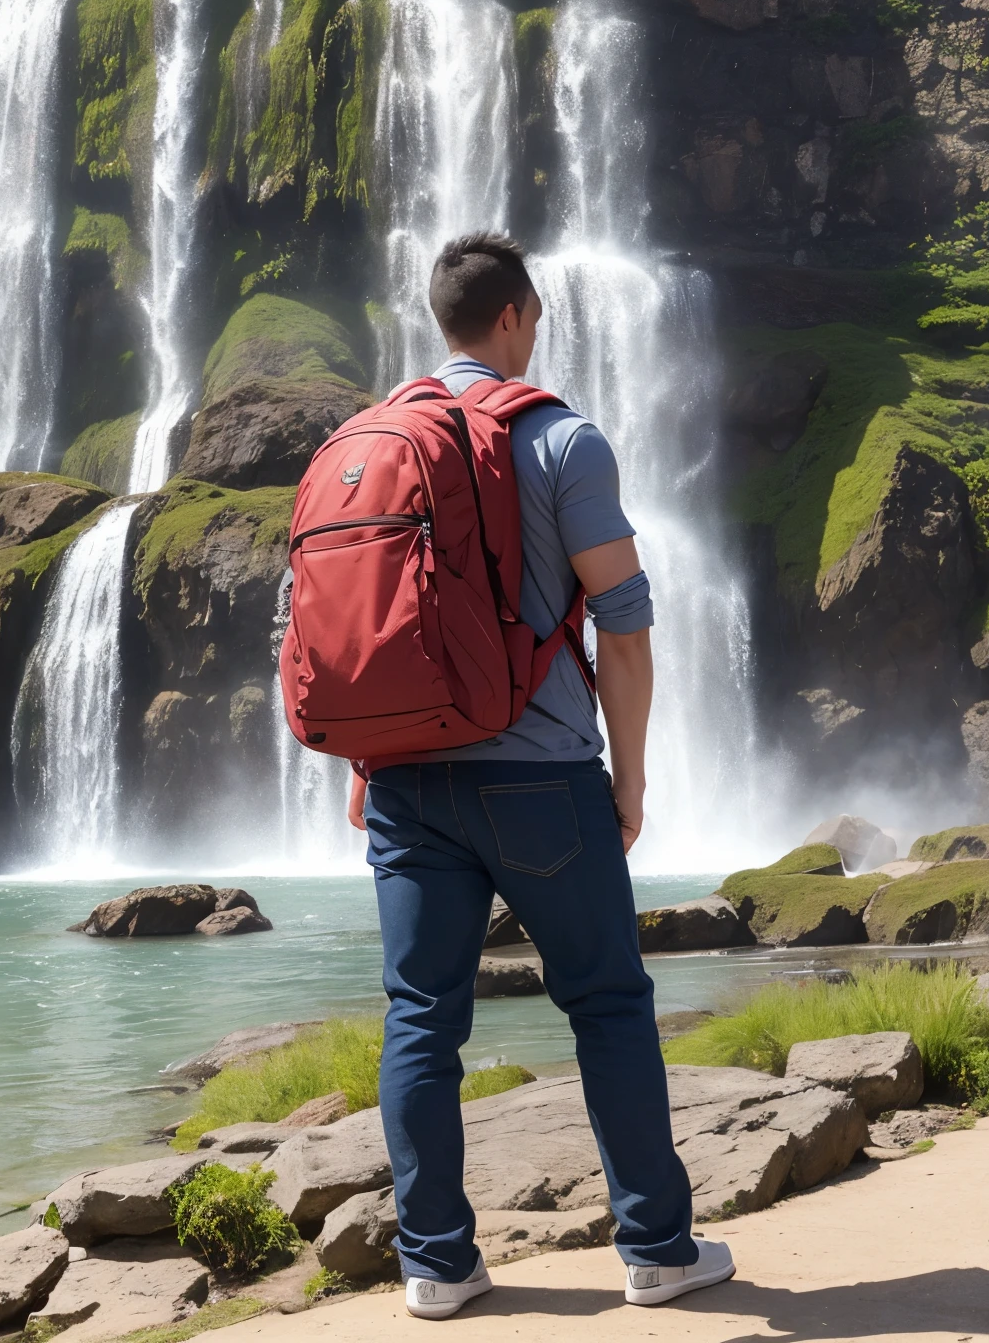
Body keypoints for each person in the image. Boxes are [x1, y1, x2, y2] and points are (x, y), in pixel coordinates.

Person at [350, 230, 731, 1320]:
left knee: (420, 1015)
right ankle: (655, 1248)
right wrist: (632, 775)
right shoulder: (563, 440)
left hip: (405, 779)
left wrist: (364, 758)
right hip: (541, 773)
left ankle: (434, 1263)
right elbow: (624, 618)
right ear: (513, 316)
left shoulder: (372, 442)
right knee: (607, 1003)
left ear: (442, 322)